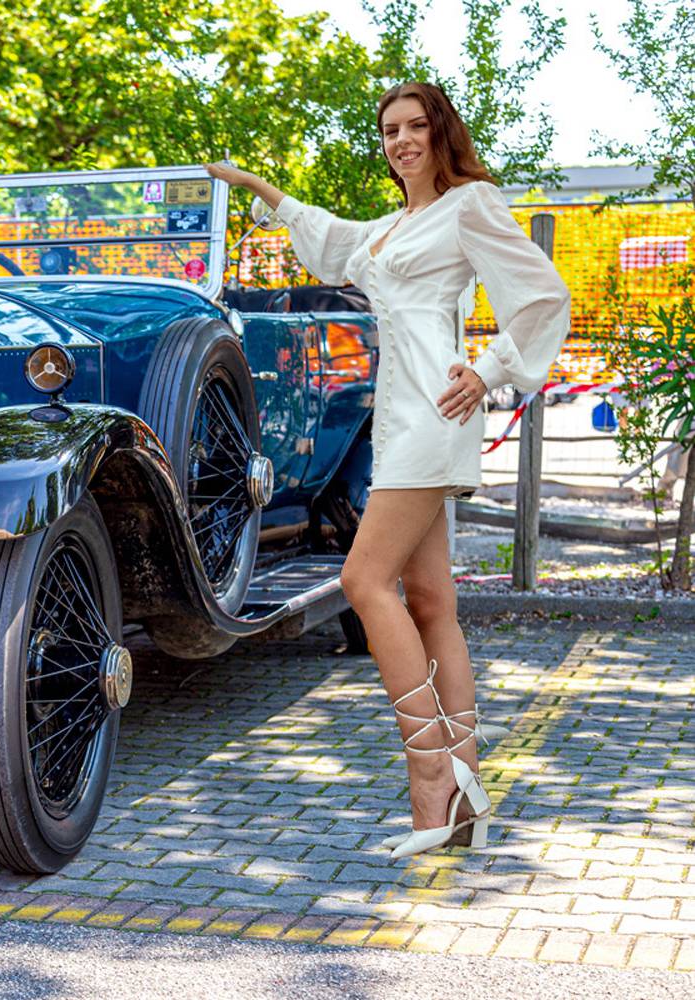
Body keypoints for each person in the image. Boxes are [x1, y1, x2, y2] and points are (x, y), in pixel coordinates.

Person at [204, 81, 571, 859]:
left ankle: (429, 772)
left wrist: (489, 369)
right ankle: (465, 790)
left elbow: (542, 295)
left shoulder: (469, 205)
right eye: (389, 131)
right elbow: (331, 238)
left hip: (435, 412)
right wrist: (257, 188)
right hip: (401, 415)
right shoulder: (392, 227)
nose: (401, 140)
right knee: (431, 600)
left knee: (364, 581)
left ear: (441, 133)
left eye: (414, 126)